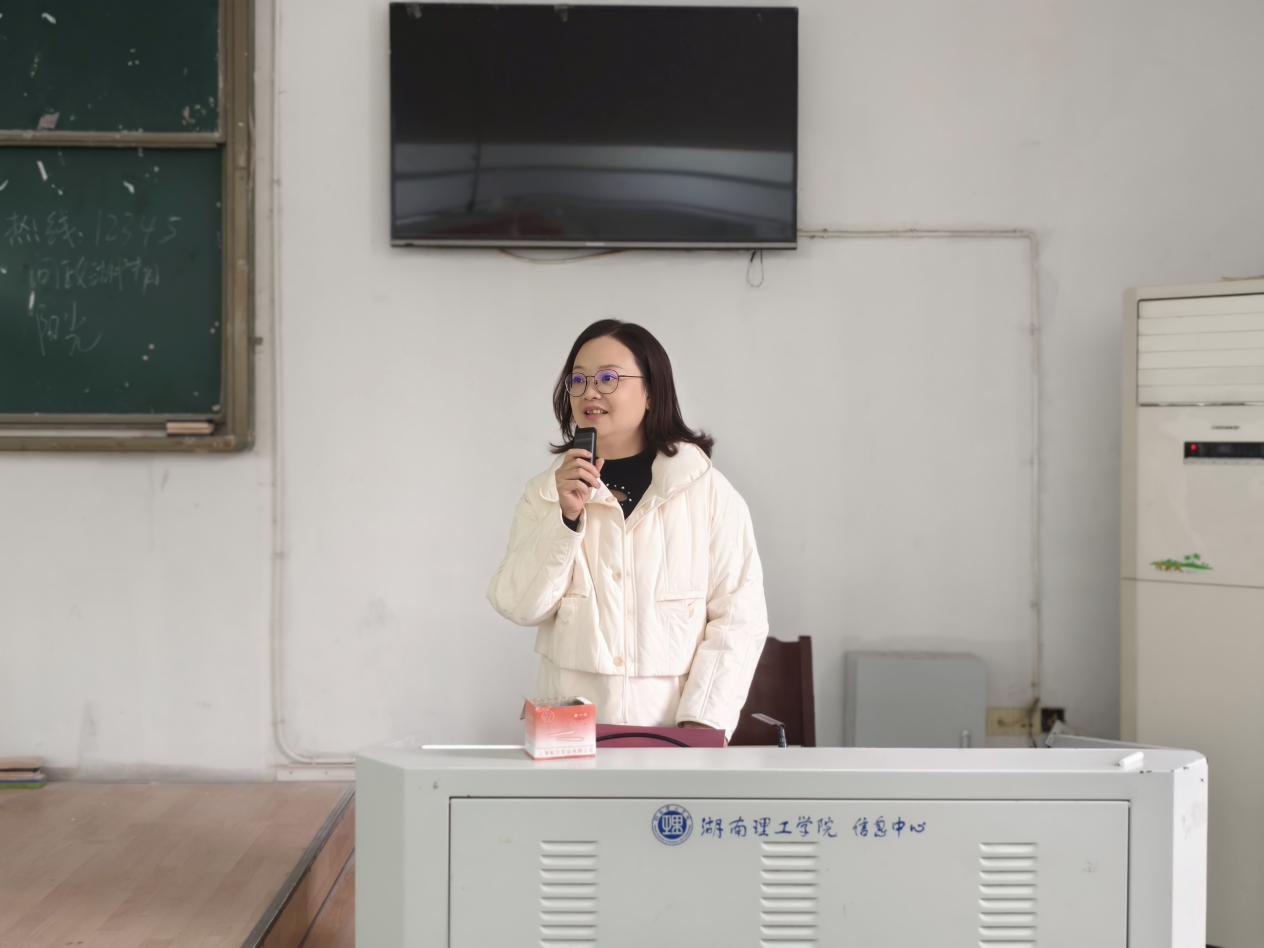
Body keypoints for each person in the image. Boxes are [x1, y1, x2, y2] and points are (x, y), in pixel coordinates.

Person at [487, 319, 768, 737]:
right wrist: (564, 521)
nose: (590, 392)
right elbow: (519, 605)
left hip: (674, 737)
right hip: (571, 738)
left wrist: (702, 725)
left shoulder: (706, 492)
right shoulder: (545, 494)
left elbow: (740, 618)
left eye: (608, 378)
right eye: (578, 380)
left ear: (652, 391)